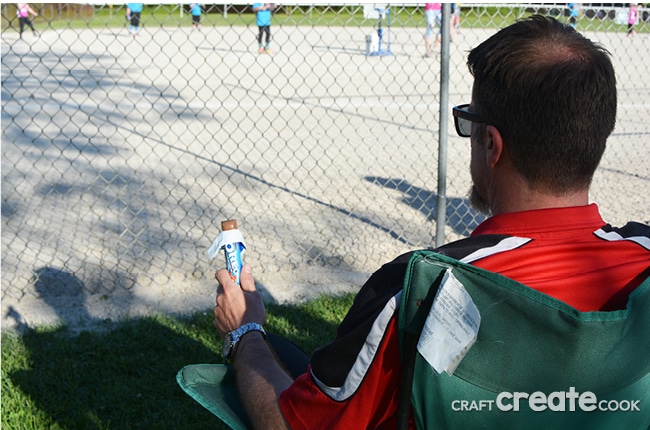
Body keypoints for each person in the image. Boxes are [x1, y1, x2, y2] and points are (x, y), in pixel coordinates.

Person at [212, 15, 650, 429]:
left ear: (491, 144)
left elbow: (288, 423)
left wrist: (245, 332)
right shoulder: (644, 264)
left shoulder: (418, 288)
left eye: (469, 122)